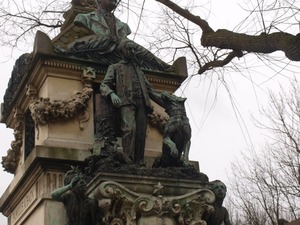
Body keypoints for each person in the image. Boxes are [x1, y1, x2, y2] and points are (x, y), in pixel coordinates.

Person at [100, 39, 164, 163]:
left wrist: (168, 104)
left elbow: (150, 90)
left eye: (133, 49)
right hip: (126, 103)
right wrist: (112, 94)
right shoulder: (115, 67)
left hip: (142, 103)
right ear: (122, 51)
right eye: (129, 49)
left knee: (141, 133)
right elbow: (104, 85)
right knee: (129, 129)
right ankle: (128, 160)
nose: (132, 51)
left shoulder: (139, 70)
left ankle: (139, 161)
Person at [65, 0, 172, 71]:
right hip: (99, 51)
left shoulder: (123, 26)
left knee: (130, 45)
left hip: (121, 57)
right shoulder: (84, 18)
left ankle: (162, 67)